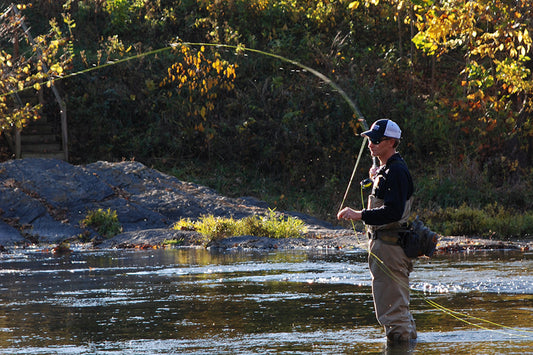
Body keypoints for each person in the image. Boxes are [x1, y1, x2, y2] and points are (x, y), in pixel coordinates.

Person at [337, 119, 417, 345]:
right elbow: (388, 195)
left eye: (376, 139)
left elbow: (392, 212)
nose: (370, 144)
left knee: (394, 314)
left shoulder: (397, 171)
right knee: (397, 312)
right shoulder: (388, 170)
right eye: (369, 139)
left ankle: (401, 348)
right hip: (386, 247)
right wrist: (376, 177)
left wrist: (358, 214)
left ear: (391, 142)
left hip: (390, 249)